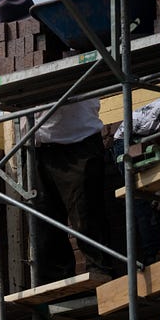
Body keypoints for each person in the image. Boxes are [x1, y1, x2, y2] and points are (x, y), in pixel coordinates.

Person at [29, 99, 114, 282]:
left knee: (86, 214)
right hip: (36, 148)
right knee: (45, 223)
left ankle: (101, 276)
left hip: (78, 141)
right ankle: (57, 282)